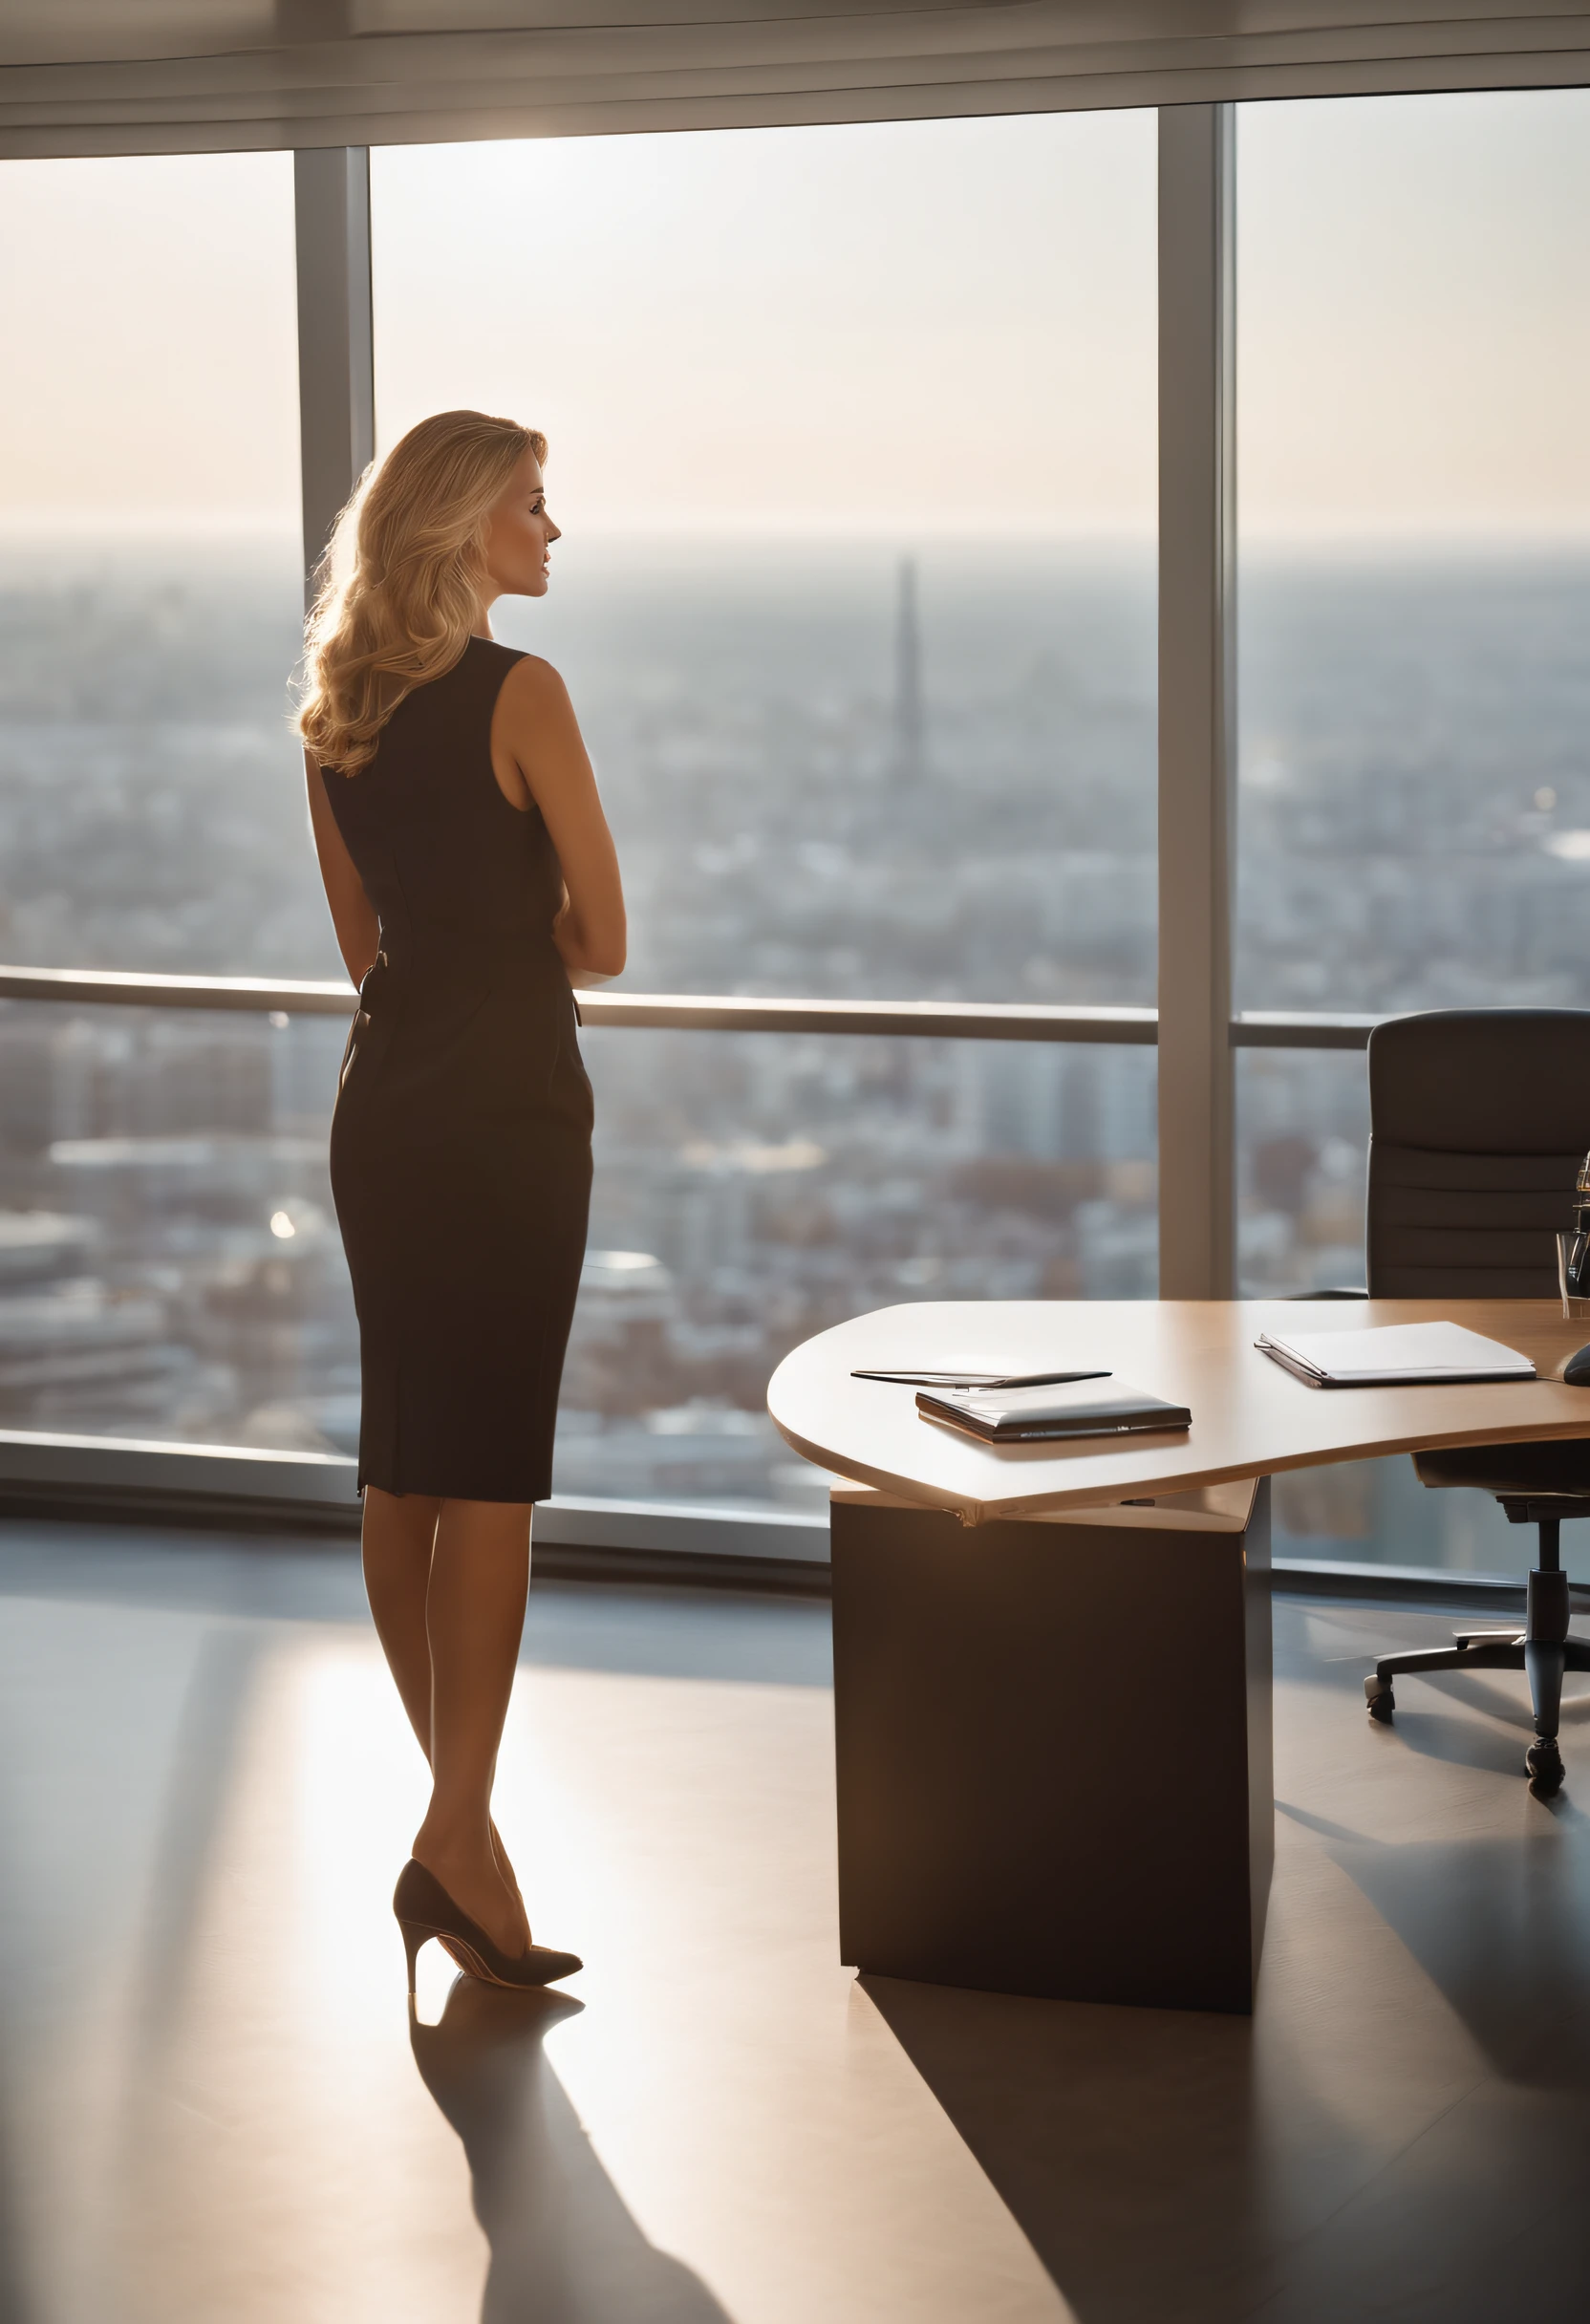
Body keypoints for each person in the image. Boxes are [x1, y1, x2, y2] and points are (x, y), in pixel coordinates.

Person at [298, 410, 625, 1992]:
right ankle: (455, 1835)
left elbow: (362, 948)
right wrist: (517, 945)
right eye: (534, 508)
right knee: (490, 1479)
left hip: (387, 1113)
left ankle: (464, 1839)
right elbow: (607, 936)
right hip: (507, 1120)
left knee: (404, 1468)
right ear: (460, 529)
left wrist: (458, 950)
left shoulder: (337, 714)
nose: (552, 533)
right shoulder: (525, 695)